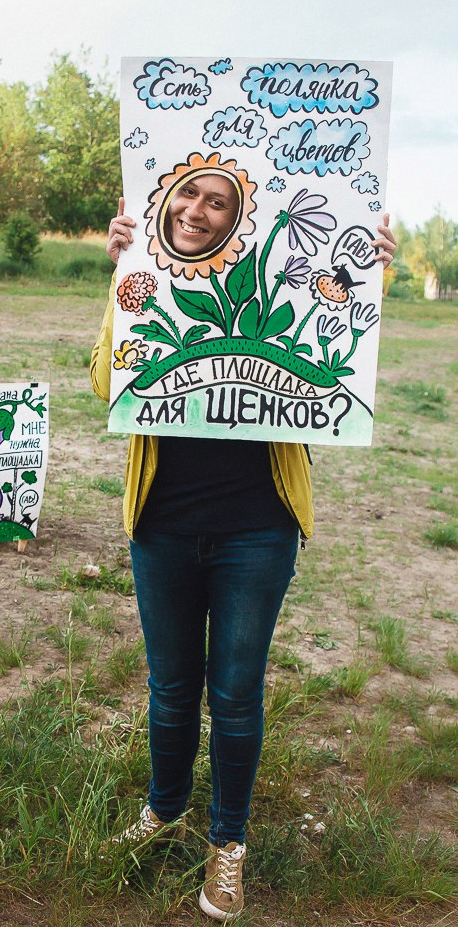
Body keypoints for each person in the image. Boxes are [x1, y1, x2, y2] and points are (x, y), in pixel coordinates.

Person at [91, 192, 396, 921]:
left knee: (234, 692)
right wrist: (123, 276)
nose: (197, 209)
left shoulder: (280, 281)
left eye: (219, 202)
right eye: (188, 193)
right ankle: (164, 810)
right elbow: (106, 383)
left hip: (257, 528)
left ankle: (228, 841)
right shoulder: (144, 275)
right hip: (162, 522)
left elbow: (333, 376)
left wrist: (363, 279)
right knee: (170, 686)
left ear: (240, 219)